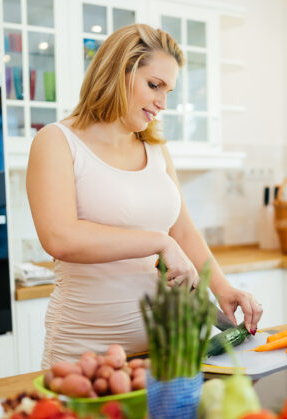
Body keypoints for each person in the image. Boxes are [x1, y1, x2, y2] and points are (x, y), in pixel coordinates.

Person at [27, 24, 263, 368]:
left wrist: (224, 288)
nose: (162, 103)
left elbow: (182, 230)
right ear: (117, 73)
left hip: (164, 354)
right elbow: (59, 236)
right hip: (85, 356)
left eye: (168, 91)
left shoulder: (154, 148)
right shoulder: (57, 141)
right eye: (154, 85)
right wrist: (157, 242)